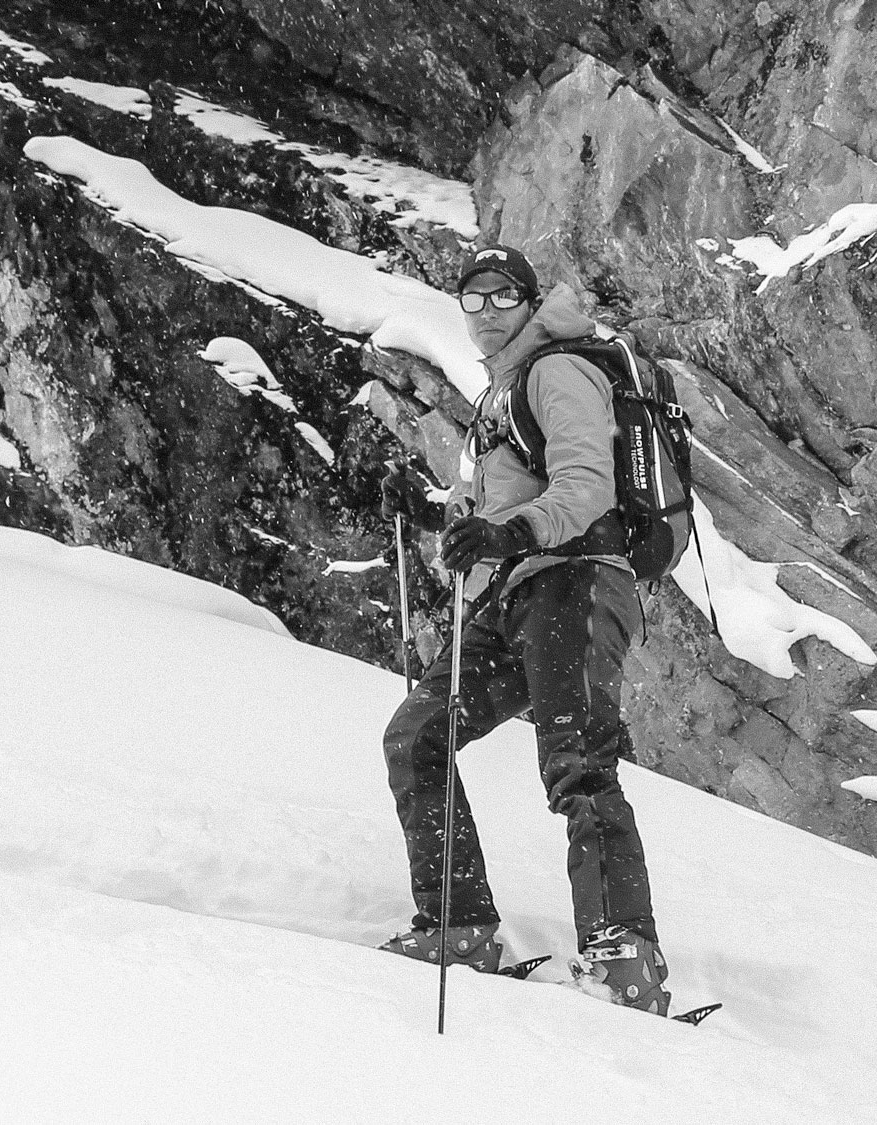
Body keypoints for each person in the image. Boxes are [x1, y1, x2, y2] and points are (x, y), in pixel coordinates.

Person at [376, 246, 669, 1015]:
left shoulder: (556, 370)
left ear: (528, 300)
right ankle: (457, 924)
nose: (486, 310)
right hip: (512, 597)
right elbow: (490, 522)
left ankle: (625, 957)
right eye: (471, 298)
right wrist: (441, 518)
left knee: (578, 759)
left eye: (502, 294)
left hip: (575, 579)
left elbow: (584, 485)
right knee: (417, 737)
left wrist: (510, 536)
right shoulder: (500, 394)